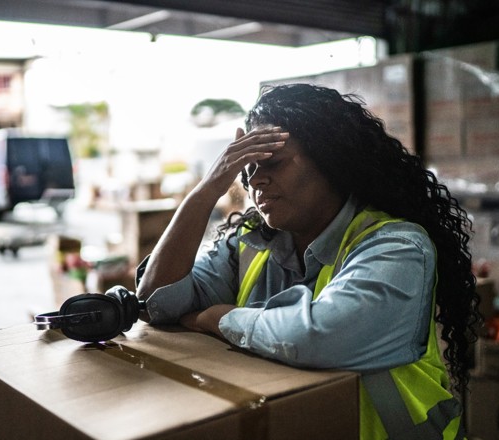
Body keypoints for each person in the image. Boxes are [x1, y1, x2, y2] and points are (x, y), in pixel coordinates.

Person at [135, 83, 480, 439]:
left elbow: (320, 336)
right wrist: (206, 190)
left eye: (274, 163)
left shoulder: (397, 245)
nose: (256, 182)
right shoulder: (251, 243)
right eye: (247, 171)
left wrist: (216, 317)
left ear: (332, 159)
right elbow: (157, 302)